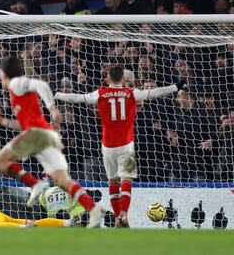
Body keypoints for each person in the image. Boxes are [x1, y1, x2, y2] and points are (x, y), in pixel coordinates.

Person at [55, 65, 186, 227]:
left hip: (107, 146)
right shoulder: (132, 93)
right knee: (126, 180)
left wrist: (57, 93)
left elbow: (77, 98)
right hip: (126, 145)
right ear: (124, 80)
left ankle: (117, 217)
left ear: (108, 79)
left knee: (112, 182)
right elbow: (154, 93)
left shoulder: (100, 94)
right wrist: (176, 86)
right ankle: (124, 215)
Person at [0, 55, 104, 228]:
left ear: (3, 73)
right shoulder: (16, 93)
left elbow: (41, 85)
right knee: (63, 181)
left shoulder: (16, 84)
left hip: (37, 134)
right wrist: (3, 122)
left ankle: (36, 184)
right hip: (45, 135)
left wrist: (52, 108)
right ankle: (94, 210)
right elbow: (22, 124)